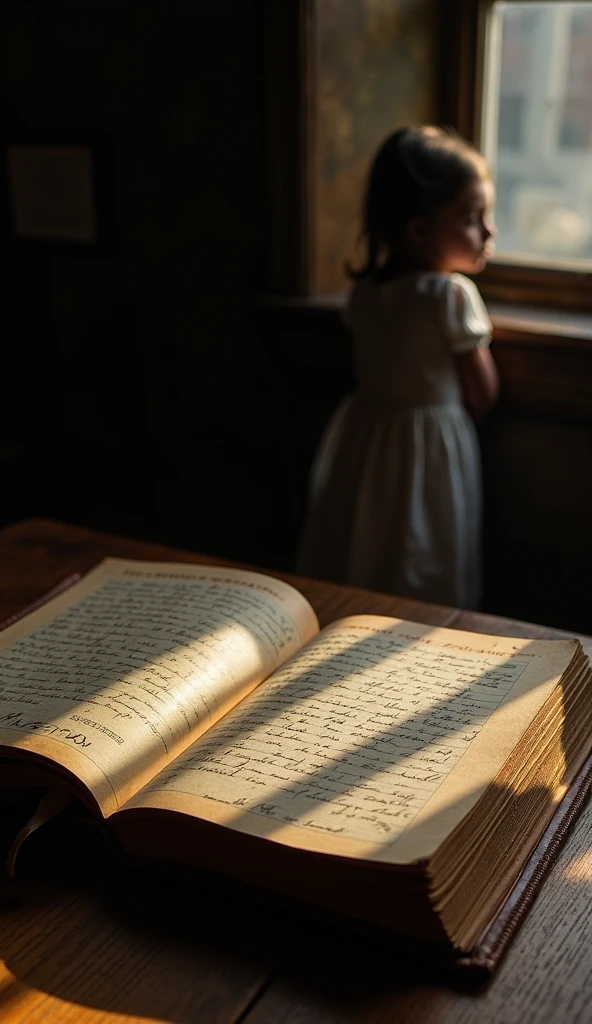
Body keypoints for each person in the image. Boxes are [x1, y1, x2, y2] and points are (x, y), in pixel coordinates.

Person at [297, 125, 499, 609]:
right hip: (429, 450)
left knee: (364, 543)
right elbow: (482, 396)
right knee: (424, 553)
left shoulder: (365, 293)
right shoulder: (449, 296)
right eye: (473, 219)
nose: (488, 232)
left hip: (363, 440)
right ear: (419, 229)